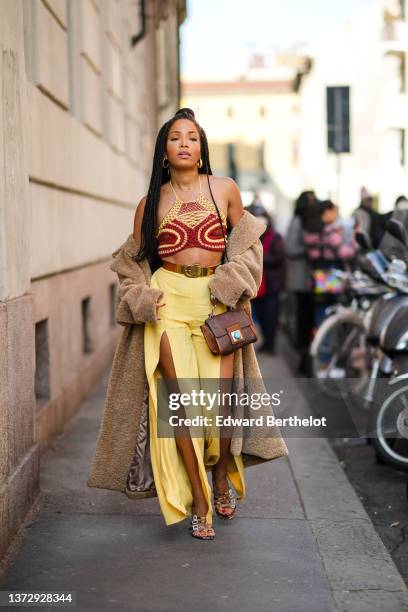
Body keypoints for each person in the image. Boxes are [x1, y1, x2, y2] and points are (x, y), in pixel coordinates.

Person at [87, 108, 289, 541]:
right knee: (179, 406)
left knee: (216, 410)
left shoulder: (225, 189)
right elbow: (130, 263)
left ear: (202, 148)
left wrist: (232, 281)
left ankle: (219, 477)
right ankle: (199, 500)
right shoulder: (150, 202)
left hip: (216, 306)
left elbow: (248, 248)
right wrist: (142, 298)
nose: (184, 143)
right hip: (168, 305)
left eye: (192, 138)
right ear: (164, 151)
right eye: (176, 137)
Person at [303, 200, 357, 328]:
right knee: (330, 310)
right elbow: (345, 253)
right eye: (334, 211)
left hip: (316, 274)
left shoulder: (310, 231)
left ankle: (319, 341)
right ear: (326, 212)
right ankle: (326, 345)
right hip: (330, 275)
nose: (336, 215)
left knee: (320, 308)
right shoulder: (329, 231)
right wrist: (354, 240)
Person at [285, 190, 319, 374]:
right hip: (300, 281)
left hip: (309, 281)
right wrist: (308, 247)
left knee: (308, 320)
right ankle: (303, 361)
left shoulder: (307, 221)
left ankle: (308, 359)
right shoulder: (297, 221)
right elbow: (290, 248)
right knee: (303, 321)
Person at [251, 208, 285, 355]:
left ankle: (271, 345)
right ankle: (265, 342)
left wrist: (258, 257)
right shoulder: (253, 236)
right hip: (257, 284)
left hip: (271, 285)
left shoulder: (276, 237)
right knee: (260, 316)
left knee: (271, 317)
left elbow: (278, 258)